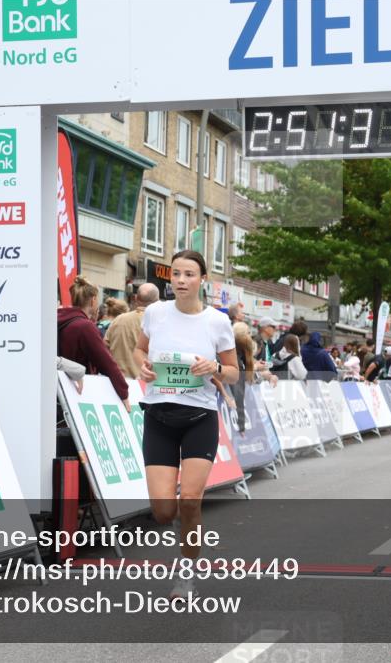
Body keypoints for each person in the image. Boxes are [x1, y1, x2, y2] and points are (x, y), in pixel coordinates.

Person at [134, 250, 238, 603]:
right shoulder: (155, 313)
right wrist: (142, 368)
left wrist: (215, 369)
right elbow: (139, 351)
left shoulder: (217, 322)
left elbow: (234, 371)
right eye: (176, 274)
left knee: (190, 499)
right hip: (159, 416)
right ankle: (183, 526)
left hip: (199, 418)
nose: (180, 280)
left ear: (202, 279)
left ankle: (186, 573)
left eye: (189, 274)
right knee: (164, 512)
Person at [57, 276, 130, 407]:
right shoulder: (85, 326)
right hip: (79, 392)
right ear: (93, 300)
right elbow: (107, 363)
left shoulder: (59, 319)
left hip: (58, 392)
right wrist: (124, 394)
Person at [105, 283, 159, 378]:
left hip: (118, 383)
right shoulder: (158, 323)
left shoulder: (118, 320)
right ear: (157, 301)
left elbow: (104, 348)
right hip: (145, 384)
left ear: (136, 298)